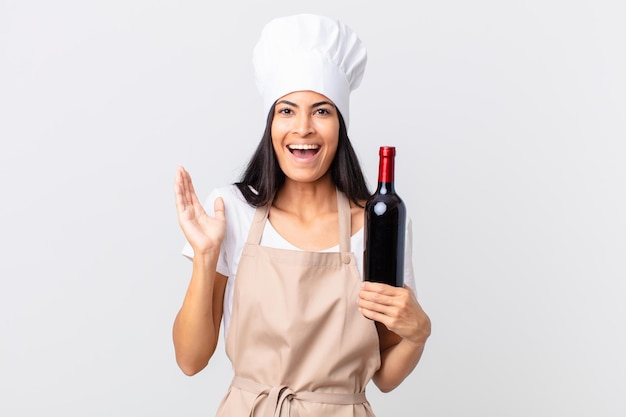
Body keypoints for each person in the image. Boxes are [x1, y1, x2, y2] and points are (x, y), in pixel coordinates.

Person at [173, 13, 431, 416]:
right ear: (271, 123)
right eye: (287, 111)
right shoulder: (232, 212)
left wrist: (417, 336)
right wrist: (206, 257)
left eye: (322, 111)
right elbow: (191, 360)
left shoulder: (376, 224)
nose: (304, 128)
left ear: (340, 125)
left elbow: (385, 375)